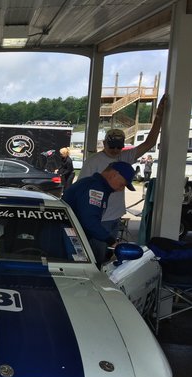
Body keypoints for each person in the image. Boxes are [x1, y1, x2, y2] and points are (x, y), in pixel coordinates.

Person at [77, 94, 166, 257]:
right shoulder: (93, 162)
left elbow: (150, 143)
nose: (116, 151)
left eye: (119, 147)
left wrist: (159, 117)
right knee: (97, 256)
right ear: (104, 144)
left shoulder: (124, 157)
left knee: (109, 255)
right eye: (112, 147)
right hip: (99, 219)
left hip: (115, 216)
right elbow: (82, 190)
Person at [63, 161, 136, 266]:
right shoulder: (95, 188)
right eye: (122, 184)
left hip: (70, 237)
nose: (121, 189)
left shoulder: (92, 184)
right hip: (69, 239)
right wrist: (111, 241)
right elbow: (89, 221)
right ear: (114, 174)